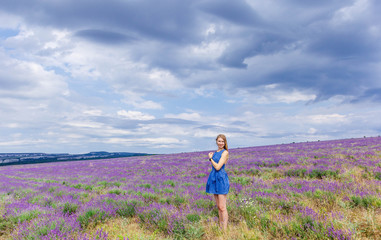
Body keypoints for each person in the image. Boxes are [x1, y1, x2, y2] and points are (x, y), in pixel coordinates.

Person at [205, 134, 230, 230]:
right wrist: (212, 157)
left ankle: (224, 229)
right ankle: (220, 226)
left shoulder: (225, 153)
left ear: (225, 142)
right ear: (216, 142)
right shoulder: (215, 152)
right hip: (214, 178)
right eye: (219, 141)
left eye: (223, 141)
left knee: (223, 207)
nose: (221, 143)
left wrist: (210, 159)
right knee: (219, 207)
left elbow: (218, 167)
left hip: (221, 179)